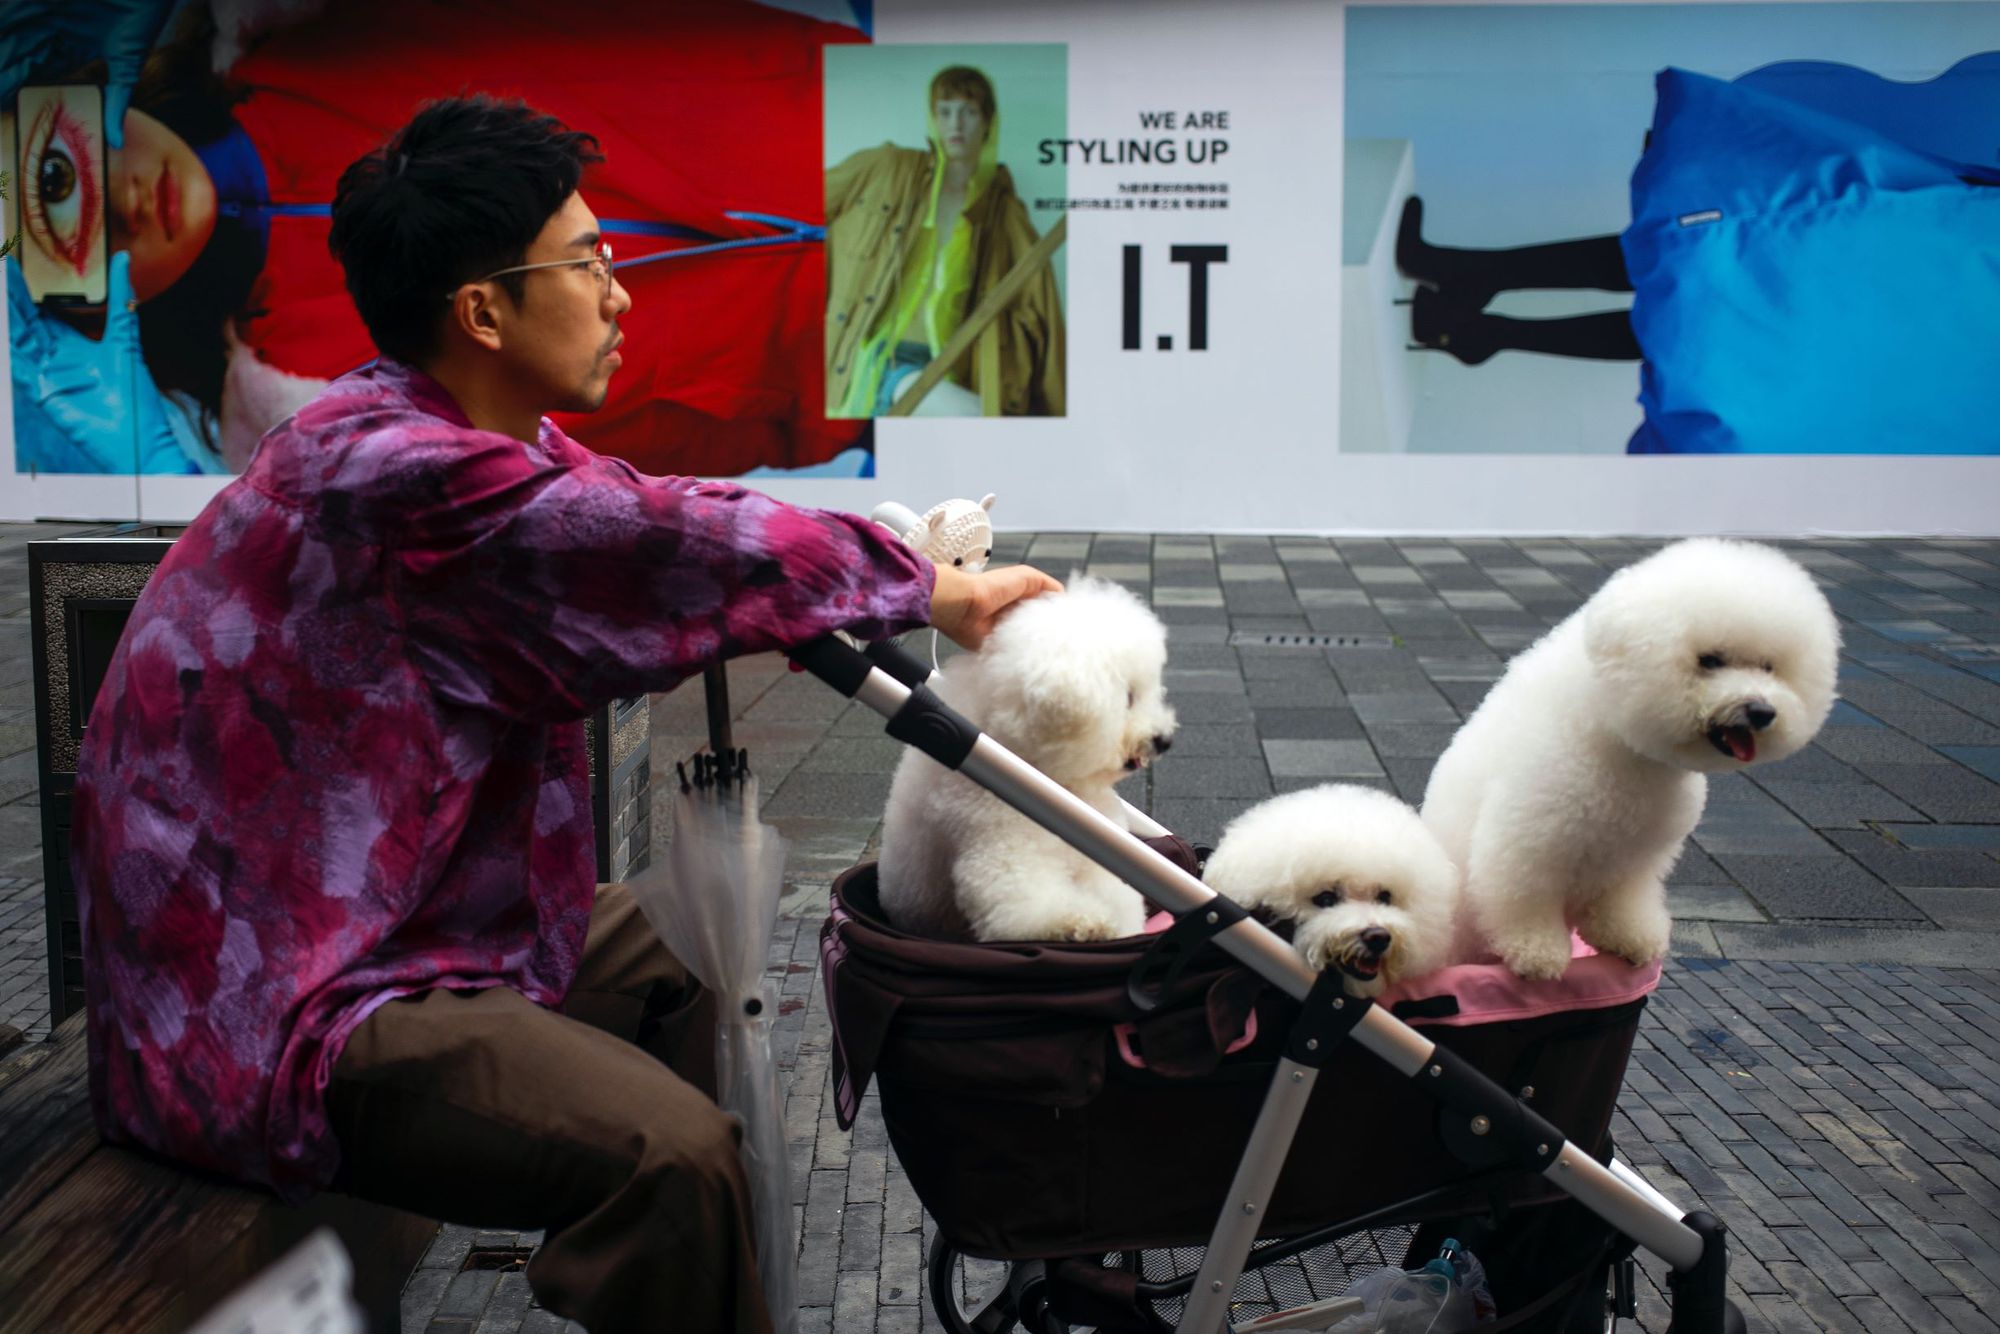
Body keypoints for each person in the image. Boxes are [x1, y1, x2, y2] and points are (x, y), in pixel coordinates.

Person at [68, 94, 1061, 1334]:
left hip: (392, 907)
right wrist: (930, 588)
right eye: (588, 262)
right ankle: (679, 1245)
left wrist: (890, 559)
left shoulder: (431, 429)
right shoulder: (403, 472)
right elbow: (648, 538)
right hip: (275, 994)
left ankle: (697, 1282)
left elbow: (647, 505)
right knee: (672, 1153)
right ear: (481, 309)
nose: (619, 291)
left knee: (690, 965)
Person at [7, 0, 870, 477]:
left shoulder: (313, 36)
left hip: (839, 109)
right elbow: (617, 441)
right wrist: (817, 427)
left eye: (66, 164)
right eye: (83, 250)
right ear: (91, 320)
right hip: (835, 365)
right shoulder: (315, 392)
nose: (122, 202)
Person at [824, 64, 1065, 418]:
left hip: (952, 369)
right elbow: (791, 208)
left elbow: (1042, 312)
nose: (956, 123)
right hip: (879, 360)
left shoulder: (1002, 213)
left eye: (969, 111)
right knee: (974, 419)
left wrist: (1058, 415)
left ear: (987, 122)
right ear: (933, 118)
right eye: (945, 111)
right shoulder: (888, 168)